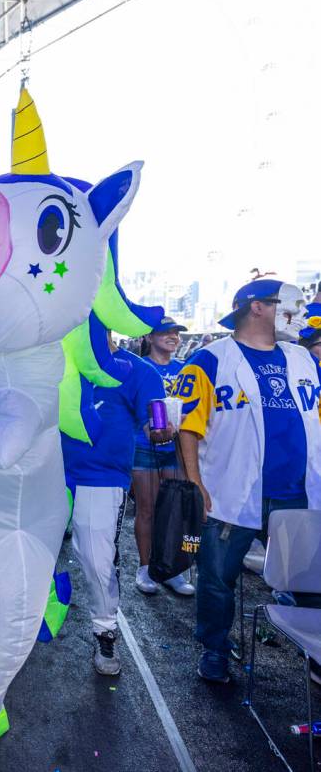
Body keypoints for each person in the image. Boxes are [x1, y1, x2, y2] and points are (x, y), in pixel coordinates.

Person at [174, 279, 321, 683]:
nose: (299, 311)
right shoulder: (209, 360)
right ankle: (215, 649)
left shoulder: (304, 359)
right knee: (218, 578)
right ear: (257, 307)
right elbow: (188, 428)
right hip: (231, 494)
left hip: (299, 497)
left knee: (310, 581)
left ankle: (315, 655)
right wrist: (194, 482)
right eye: (289, 303)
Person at [62, 331, 172, 675]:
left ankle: (105, 630)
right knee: (26, 556)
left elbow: (157, 425)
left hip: (101, 477)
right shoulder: (55, 363)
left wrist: (162, 430)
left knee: (95, 559)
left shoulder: (140, 372)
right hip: (44, 473)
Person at [131, 316, 195, 596]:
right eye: (165, 332)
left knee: (175, 510)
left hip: (178, 449)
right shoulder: (139, 368)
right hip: (145, 448)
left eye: (176, 333)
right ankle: (146, 568)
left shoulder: (185, 369)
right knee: (147, 509)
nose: (173, 337)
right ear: (149, 337)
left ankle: (173, 568)